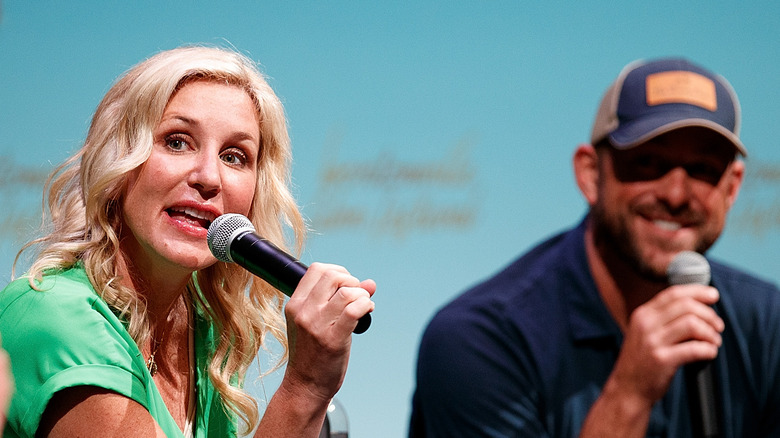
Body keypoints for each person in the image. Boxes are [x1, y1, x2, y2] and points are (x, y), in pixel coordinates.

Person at [0, 45, 376, 438]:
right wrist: (305, 387)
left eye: (234, 156)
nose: (209, 177)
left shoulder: (201, 331)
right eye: (177, 141)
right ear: (118, 160)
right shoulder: (53, 317)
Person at [410, 57, 780, 437]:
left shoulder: (769, 324)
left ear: (732, 188)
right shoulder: (477, 340)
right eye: (648, 163)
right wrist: (629, 395)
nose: (675, 194)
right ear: (590, 175)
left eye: (702, 169)